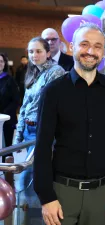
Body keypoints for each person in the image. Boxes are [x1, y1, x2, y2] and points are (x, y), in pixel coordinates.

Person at [34, 23, 105, 225]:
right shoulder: (53, 91)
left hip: (101, 193)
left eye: (97, 46)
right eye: (84, 44)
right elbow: (42, 146)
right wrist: (46, 197)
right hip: (62, 193)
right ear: (72, 47)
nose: (90, 51)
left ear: (104, 52)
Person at [13, 37, 65, 190]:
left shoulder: (56, 71)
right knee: (29, 177)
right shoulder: (32, 72)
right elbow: (25, 106)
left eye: (38, 51)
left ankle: (35, 211)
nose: (34, 55)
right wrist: (18, 134)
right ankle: (31, 210)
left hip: (43, 130)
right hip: (29, 129)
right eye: (30, 51)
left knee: (29, 177)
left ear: (48, 53)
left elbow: (54, 105)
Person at [0, 53, 19, 161]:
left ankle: (6, 174)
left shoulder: (9, 80)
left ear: (4, 64)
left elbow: (16, 100)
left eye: (1, 61)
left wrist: (3, 115)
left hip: (6, 120)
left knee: (5, 148)